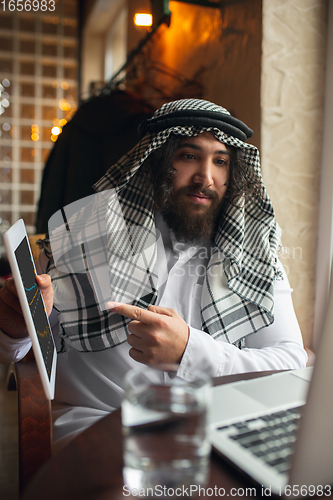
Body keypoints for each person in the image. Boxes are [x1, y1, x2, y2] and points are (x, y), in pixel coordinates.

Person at [0, 98, 307, 450]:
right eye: (189, 156)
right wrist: (14, 325)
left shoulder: (253, 250)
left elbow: (289, 363)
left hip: (209, 432)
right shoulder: (77, 234)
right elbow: (23, 352)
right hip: (97, 427)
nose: (206, 177)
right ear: (156, 161)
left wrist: (190, 352)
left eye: (220, 161)